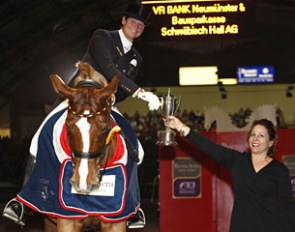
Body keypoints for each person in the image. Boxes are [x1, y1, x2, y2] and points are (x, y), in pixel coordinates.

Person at [3, 2, 160, 228]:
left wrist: (114, 99)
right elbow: (109, 70)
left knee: (137, 148)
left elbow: (120, 92)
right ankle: (23, 202)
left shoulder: (136, 57)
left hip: (104, 102)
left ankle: (131, 207)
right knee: (38, 139)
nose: (136, 27)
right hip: (76, 97)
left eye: (141, 25)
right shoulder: (102, 37)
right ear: (123, 21)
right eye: (133, 22)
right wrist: (140, 92)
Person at [165, 116, 295, 232]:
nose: (255, 138)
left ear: (271, 142)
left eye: (261, 135)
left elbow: (288, 207)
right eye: (253, 134)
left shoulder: (279, 170)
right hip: (241, 228)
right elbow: (210, 147)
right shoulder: (238, 161)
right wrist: (181, 127)